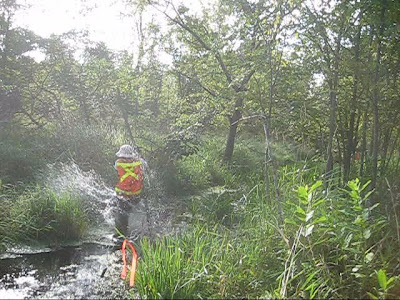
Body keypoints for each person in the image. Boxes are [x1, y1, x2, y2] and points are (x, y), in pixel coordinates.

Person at [114, 144, 144, 239]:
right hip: (136, 196)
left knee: (122, 215)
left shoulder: (118, 163)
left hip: (123, 195)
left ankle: (121, 236)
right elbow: (145, 167)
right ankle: (135, 231)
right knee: (131, 212)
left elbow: (116, 169)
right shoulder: (139, 162)